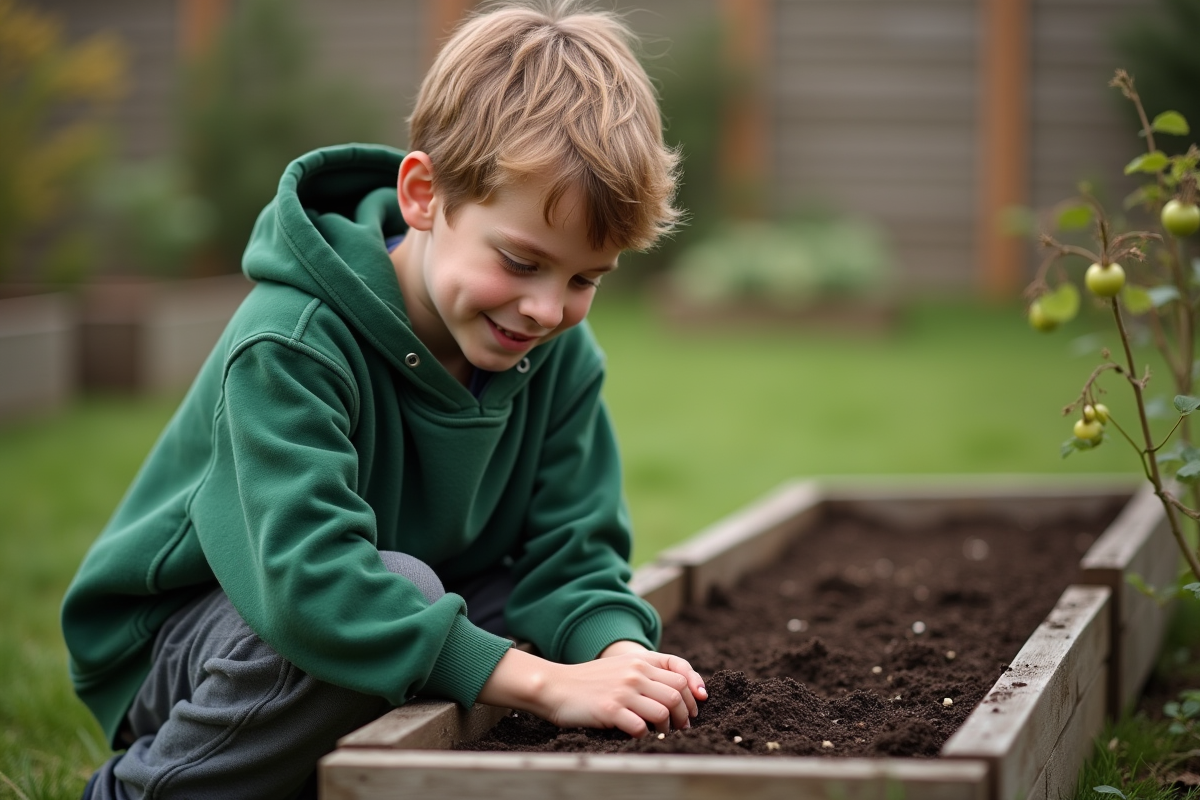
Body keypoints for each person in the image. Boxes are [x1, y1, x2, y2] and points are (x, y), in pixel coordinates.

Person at [62, 2, 707, 798]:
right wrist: (544, 685)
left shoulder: (557, 353)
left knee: (465, 609)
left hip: (401, 593)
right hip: (210, 635)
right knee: (385, 605)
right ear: (424, 194)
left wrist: (613, 654)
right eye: (520, 261)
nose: (546, 310)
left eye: (584, 280)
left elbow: (572, 553)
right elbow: (306, 585)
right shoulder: (292, 341)